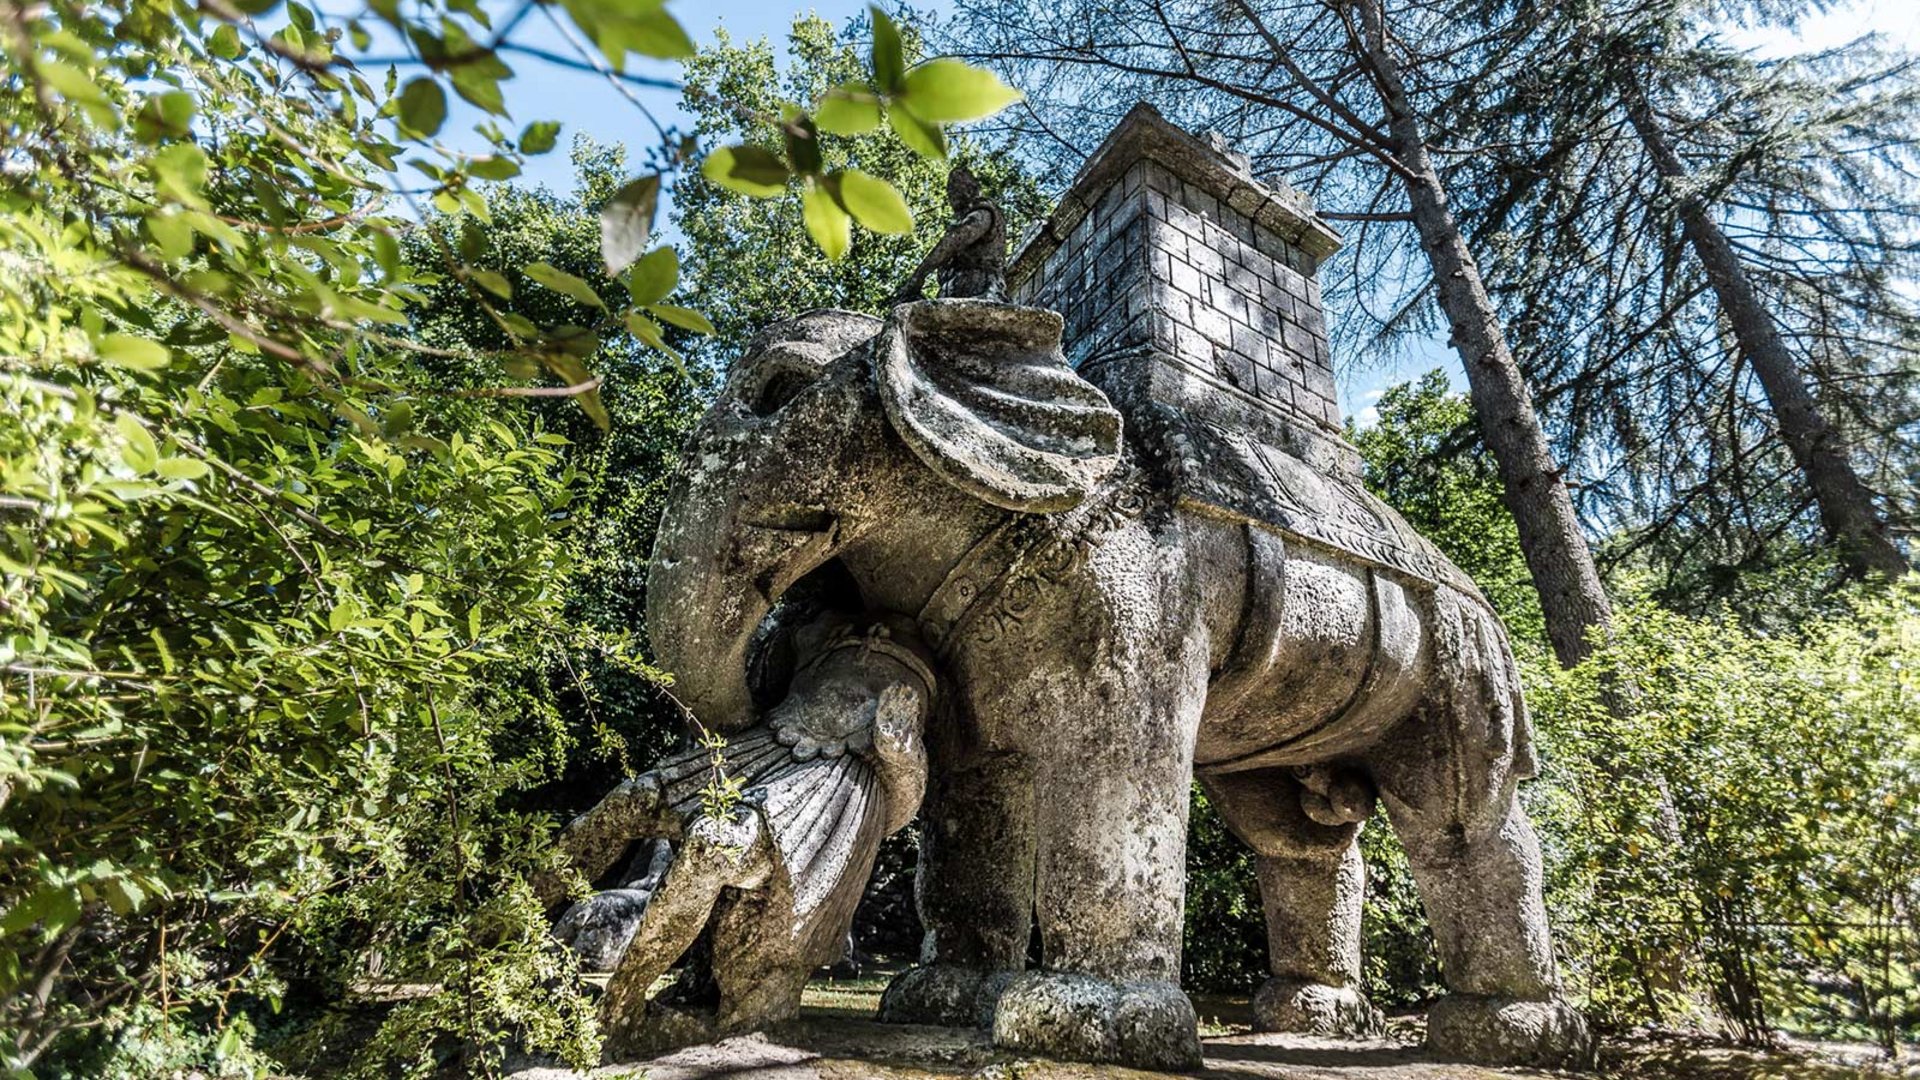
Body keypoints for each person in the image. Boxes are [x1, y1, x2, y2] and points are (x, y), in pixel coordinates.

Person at [889, 165, 1006, 304]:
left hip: (981, 288)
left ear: (972, 188)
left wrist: (920, 275)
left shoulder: (984, 212)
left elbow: (956, 240)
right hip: (955, 291)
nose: (952, 193)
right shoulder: (962, 219)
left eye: (957, 186)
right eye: (950, 189)